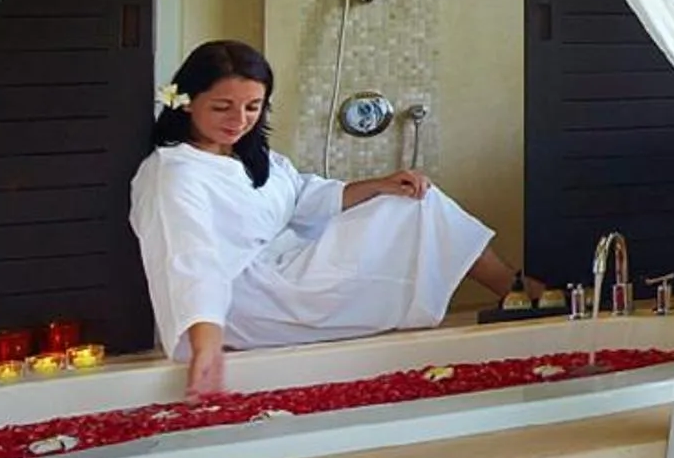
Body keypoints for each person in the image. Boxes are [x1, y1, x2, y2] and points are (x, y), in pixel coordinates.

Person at [130, 40, 532, 399]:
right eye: (222, 107)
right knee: (418, 212)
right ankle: (523, 293)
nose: (238, 119)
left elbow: (304, 196)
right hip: (250, 298)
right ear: (185, 101)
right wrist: (206, 340)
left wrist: (380, 185)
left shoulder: (247, 157)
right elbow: (188, 255)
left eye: (252, 107)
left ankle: (516, 291)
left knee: (416, 200)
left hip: (288, 269)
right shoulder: (175, 172)